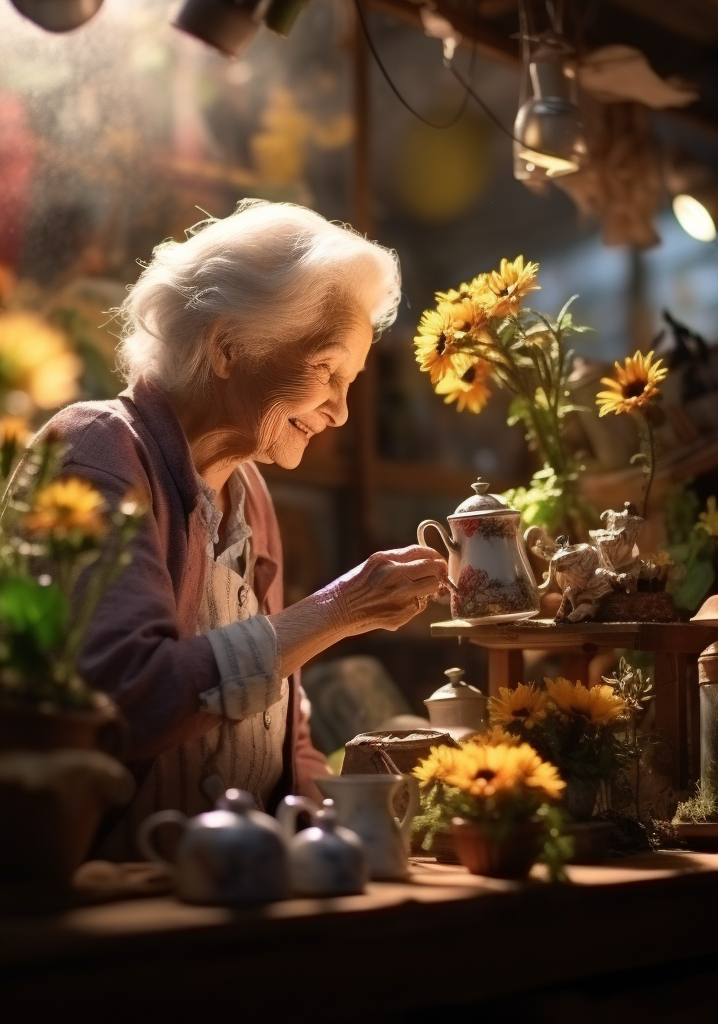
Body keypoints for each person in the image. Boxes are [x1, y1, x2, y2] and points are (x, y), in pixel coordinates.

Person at [32, 200, 449, 858]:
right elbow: (126, 695)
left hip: (235, 891)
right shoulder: (99, 451)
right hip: (108, 899)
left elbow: (286, 724)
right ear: (228, 347)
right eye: (328, 372)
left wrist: (335, 845)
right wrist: (339, 609)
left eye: (352, 383)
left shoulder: (248, 495)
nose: (340, 412)